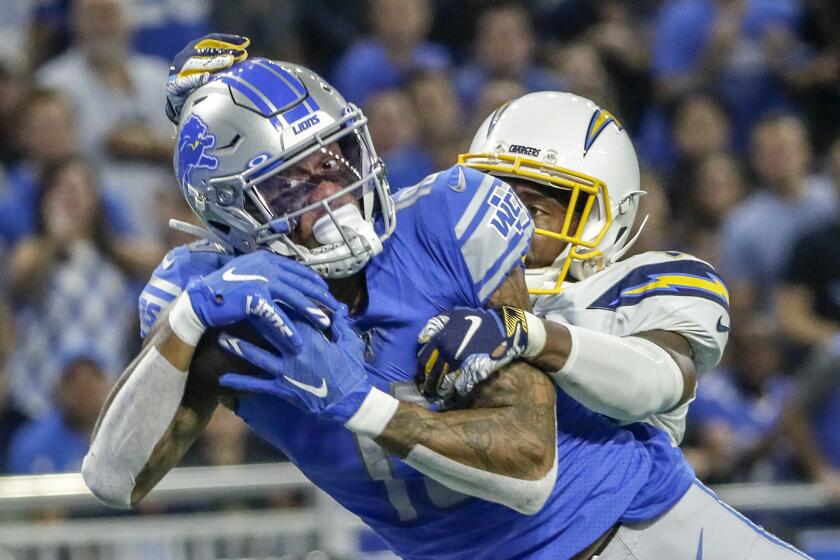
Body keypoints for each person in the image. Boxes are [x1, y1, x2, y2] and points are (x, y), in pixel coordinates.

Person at [83, 44, 808, 559]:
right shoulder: (207, 299)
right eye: (294, 186)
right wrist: (186, 321)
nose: (335, 192)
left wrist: (357, 403)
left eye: (336, 159)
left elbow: (528, 470)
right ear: (230, 215)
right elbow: (113, 481)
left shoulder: (453, 218)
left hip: (640, 532)